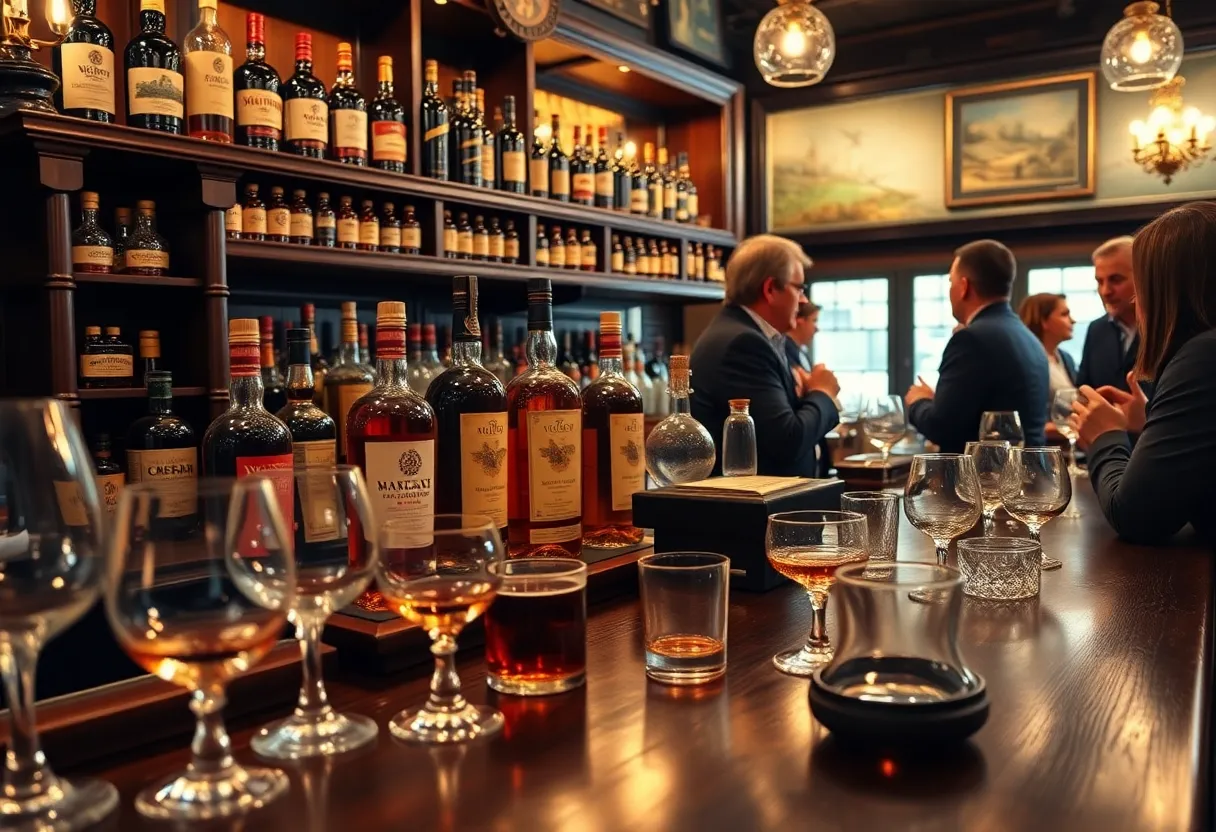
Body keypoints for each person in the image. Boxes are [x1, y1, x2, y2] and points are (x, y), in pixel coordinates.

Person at [1069, 202, 1216, 544]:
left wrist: (1105, 437)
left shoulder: (1203, 354)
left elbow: (1136, 516)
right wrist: (1147, 418)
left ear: (1172, 284)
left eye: (1145, 282)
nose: (1136, 301)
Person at [690, 234, 840, 477]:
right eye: (799, 288)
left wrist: (804, 396)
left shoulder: (751, 336)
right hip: (757, 510)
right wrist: (824, 393)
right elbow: (787, 441)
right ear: (770, 289)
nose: (803, 300)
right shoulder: (743, 344)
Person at [905, 239, 1049, 452]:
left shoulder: (970, 340)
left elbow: (941, 426)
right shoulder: (1028, 336)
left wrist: (918, 401)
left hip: (985, 479)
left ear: (964, 287)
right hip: (1029, 474)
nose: (950, 291)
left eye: (951, 282)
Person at [1077, 237, 1139, 392]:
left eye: (1116, 280)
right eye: (1099, 282)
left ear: (1142, 277)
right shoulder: (1097, 329)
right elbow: (1083, 391)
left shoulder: (1167, 329)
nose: (1105, 292)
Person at [1018, 292, 1077, 424]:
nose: (1073, 320)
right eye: (1064, 314)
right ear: (1043, 321)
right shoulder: (1027, 361)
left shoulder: (1066, 358)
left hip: (1069, 439)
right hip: (1044, 442)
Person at [784, 300, 818, 372]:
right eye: (814, 320)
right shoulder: (783, 349)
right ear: (799, 320)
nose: (817, 328)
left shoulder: (802, 352)